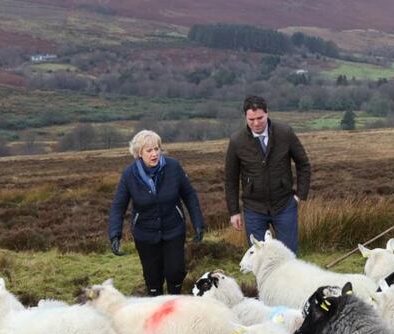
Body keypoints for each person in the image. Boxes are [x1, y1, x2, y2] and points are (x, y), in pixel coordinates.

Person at [108, 130, 204, 296]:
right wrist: (114, 234)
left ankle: (174, 300)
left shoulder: (173, 167)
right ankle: (155, 303)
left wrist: (198, 223)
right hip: (145, 234)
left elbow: (189, 195)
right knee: (153, 277)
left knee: (175, 272)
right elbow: (118, 206)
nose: (154, 154)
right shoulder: (129, 174)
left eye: (157, 149)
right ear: (139, 153)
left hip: (173, 229)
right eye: (149, 150)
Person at [224, 95, 311, 255]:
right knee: (259, 258)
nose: (256, 123)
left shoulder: (285, 133)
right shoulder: (237, 141)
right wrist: (234, 211)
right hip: (253, 209)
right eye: (251, 119)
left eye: (260, 118)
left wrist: (300, 196)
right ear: (245, 117)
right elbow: (231, 179)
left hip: (284, 205)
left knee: (288, 255)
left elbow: (303, 164)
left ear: (267, 113)